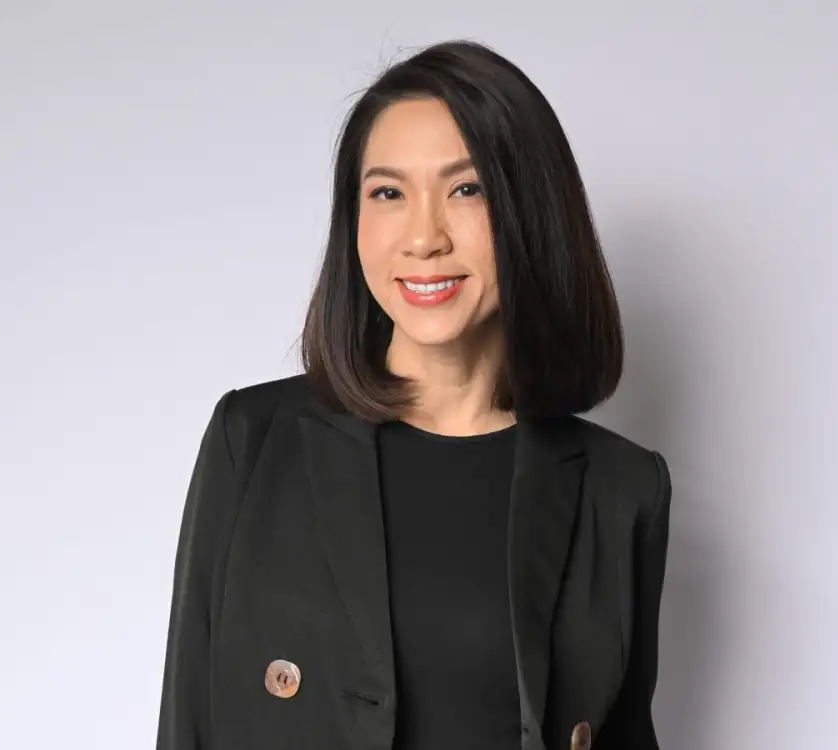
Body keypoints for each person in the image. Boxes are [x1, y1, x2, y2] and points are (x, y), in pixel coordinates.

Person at [156, 39, 671, 750]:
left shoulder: (621, 488)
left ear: (534, 211)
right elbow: (187, 725)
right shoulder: (254, 440)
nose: (424, 238)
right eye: (388, 193)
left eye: (468, 189)